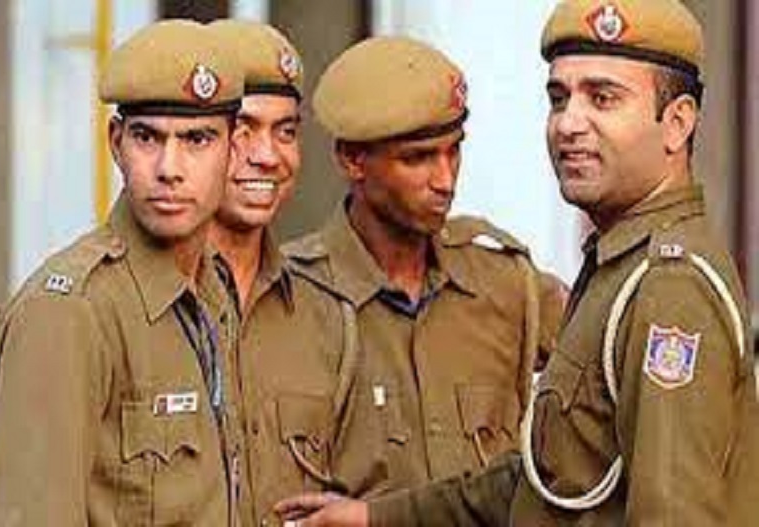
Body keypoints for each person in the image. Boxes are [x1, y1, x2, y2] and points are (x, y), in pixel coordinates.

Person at [275, 1, 759, 525]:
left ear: (677, 123)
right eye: (559, 98)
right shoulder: (618, 269)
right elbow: (544, 477)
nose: (569, 123)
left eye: (603, 98)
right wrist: (374, 517)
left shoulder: (669, 288)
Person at [0, 20, 245, 525]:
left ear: (234, 151)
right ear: (116, 143)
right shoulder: (68, 312)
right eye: (147, 137)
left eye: (197, 139)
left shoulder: (211, 291)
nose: (169, 168)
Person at [281, 35, 564, 505]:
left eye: (454, 151)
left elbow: (615, 363)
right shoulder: (293, 299)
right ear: (352, 159)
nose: (445, 180)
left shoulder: (507, 284)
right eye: (417, 158)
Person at [206, 20, 349, 526]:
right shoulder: (122, 307)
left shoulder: (326, 318)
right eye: (243, 130)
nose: (267, 156)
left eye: (285, 132)